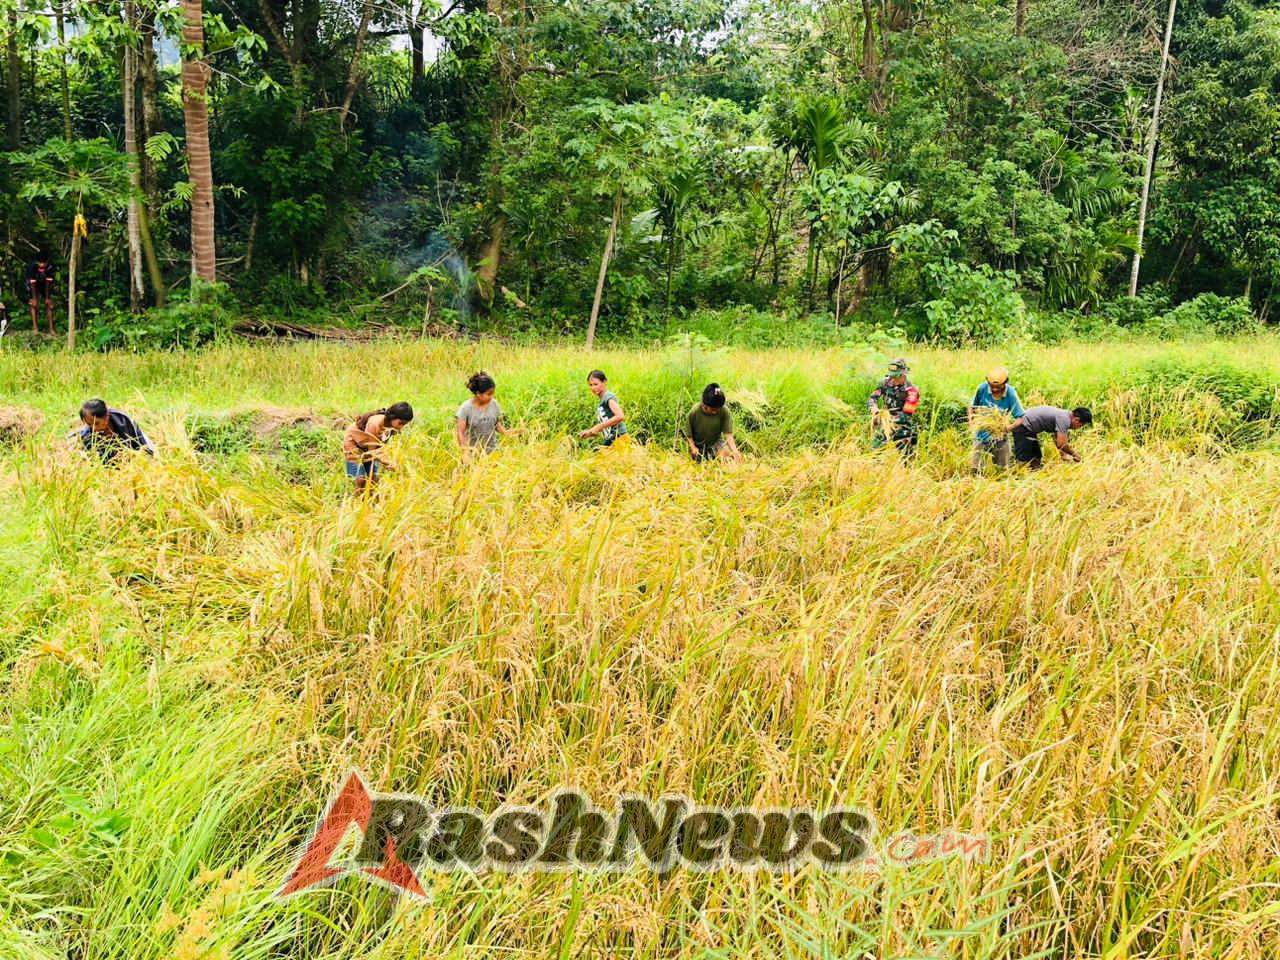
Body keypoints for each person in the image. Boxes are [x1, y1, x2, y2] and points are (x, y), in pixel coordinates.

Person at [342, 401, 414, 492]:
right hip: (354, 443)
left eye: (404, 424)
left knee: (374, 478)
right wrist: (388, 463)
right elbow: (373, 452)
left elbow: (380, 446)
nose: (401, 427)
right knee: (360, 480)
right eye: (401, 423)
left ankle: (371, 502)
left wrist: (386, 461)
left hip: (370, 447)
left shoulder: (392, 427)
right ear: (392, 417)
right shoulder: (374, 424)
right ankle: (357, 503)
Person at [968, 365, 1024, 472]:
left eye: (998, 387)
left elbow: (1021, 418)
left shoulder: (1011, 394)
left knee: (1002, 470)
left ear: (1005, 382)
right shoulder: (982, 389)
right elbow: (972, 406)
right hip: (981, 435)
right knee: (975, 469)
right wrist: (971, 422)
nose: (994, 389)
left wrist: (1007, 428)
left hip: (1000, 437)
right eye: (992, 386)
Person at [1010, 405, 1092, 469]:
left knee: (1036, 457)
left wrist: (1063, 455)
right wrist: (1074, 454)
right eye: (1080, 425)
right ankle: (1018, 479)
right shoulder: (1064, 419)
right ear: (1076, 420)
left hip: (1029, 429)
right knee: (1023, 460)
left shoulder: (1064, 415)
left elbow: (1057, 438)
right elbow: (1062, 443)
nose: (1078, 428)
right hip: (1022, 427)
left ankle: (1033, 479)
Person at [868, 358, 920, 456]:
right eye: (891, 376)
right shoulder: (886, 383)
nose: (893, 380)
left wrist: (887, 419)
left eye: (896, 377)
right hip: (884, 425)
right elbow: (872, 397)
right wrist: (873, 408)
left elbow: (906, 415)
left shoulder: (912, 391)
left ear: (904, 375)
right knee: (875, 454)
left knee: (906, 458)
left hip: (902, 427)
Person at [77, 399, 154, 464]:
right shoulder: (87, 436)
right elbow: (94, 462)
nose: (93, 428)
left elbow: (143, 446)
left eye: (97, 423)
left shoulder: (124, 421)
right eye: (89, 424)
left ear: (107, 417)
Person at [684, 383, 741, 462]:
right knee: (697, 459)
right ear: (704, 405)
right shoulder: (694, 412)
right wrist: (693, 447)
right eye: (713, 410)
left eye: (718, 409)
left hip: (715, 444)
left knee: (727, 456)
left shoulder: (724, 411)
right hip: (698, 446)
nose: (715, 412)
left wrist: (735, 451)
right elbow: (689, 435)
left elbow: (728, 435)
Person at [457, 372, 511, 453]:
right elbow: (460, 432)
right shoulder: (466, 408)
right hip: (474, 453)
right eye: (489, 394)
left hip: (493, 452)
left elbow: (497, 425)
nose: (492, 397)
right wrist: (465, 452)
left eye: (493, 393)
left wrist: (508, 433)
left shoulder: (494, 404)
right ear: (478, 394)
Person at [578, 370, 628, 448]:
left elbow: (620, 416)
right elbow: (607, 423)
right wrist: (590, 432)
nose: (593, 388)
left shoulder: (608, 397)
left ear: (604, 382)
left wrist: (598, 427)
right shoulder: (602, 400)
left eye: (596, 384)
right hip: (611, 439)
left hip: (619, 439)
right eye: (590, 385)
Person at [26, 255, 56, 335]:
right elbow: (32, 284)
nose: (42, 265)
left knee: (49, 304)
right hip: (32, 284)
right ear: (36, 262)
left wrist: (47, 298)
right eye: (40, 263)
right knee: (33, 304)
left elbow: (48, 283)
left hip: (45, 284)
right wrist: (34, 298)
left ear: (47, 262)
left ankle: (51, 329)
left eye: (44, 263)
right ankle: (35, 329)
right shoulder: (32, 267)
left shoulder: (50, 267)